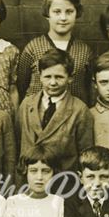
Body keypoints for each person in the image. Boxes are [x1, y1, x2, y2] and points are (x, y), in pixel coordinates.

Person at [16, 48, 94, 178]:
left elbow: (84, 154)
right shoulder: (26, 104)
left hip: (63, 182)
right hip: (29, 180)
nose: (53, 83)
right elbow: (18, 141)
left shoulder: (79, 110)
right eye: (47, 77)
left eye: (59, 77)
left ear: (70, 78)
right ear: (40, 76)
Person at [17, 0, 94, 102]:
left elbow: (89, 88)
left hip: (73, 115)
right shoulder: (33, 48)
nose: (63, 18)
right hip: (38, 115)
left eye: (69, 12)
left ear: (77, 13)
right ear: (47, 14)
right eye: (57, 12)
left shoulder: (84, 50)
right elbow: (21, 85)